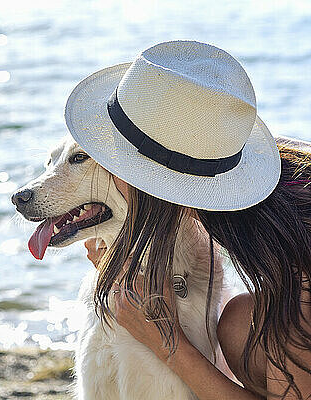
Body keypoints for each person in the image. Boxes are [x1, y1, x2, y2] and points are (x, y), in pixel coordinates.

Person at [65, 40, 311, 399]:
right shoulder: (276, 167)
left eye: (115, 163)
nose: (107, 175)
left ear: (159, 189)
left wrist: (168, 344)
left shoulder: (294, 273)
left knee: (247, 325)